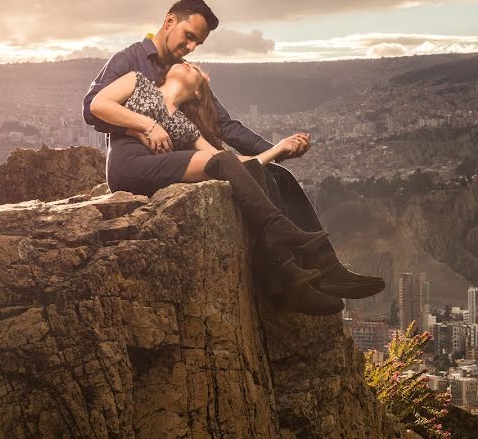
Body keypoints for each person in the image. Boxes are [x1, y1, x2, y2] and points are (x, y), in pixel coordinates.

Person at [82, 0, 385, 310]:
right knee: (249, 171)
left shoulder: (190, 77)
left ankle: (326, 268)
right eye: (188, 36)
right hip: (155, 161)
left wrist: (276, 150)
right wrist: (144, 126)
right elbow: (93, 108)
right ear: (169, 21)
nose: (190, 49)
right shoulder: (131, 62)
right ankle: (285, 274)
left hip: (190, 156)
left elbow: (225, 126)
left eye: (197, 44)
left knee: (275, 174)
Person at [90, 64, 339, 309]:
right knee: (223, 160)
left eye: (195, 69)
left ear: (198, 92)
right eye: (185, 63)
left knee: (225, 160)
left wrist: (278, 149)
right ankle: (281, 233)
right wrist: (148, 125)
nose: (188, 64)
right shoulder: (138, 81)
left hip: (155, 170)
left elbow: (236, 164)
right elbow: (98, 105)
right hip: (126, 165)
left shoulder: (185, 126)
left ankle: (286, 265)